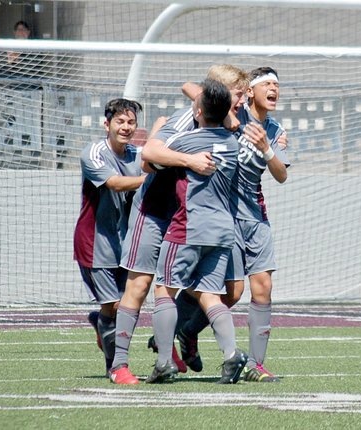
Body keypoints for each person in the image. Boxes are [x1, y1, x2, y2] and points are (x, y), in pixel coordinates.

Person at [107, 65, 247, 385]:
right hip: (156, 210)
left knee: (203, 290)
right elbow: (148, 158)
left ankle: (169, 353)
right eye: (239, 94)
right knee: (141, 285)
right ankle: (120, 364)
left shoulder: (225, 123)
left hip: (189, 218)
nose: (243, 99)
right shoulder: (188, 121)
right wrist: (189, 159)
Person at [175, 67, 290, 382]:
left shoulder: (276, 128)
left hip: (256, 216)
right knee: (231, 292)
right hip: (224, 215)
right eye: (266, 83)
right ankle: (182, 331)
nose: (274, 89)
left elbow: (281, 175)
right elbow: (189, 85)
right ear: (249, 92)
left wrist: (267, 148)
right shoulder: (233, 114)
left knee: (263, 288)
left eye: (277, 85)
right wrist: (227, 116)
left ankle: (256, 365)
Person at [142, 78, 245, 384]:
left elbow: (150, 153)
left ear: (198, 111)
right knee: (211, 295)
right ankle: (231, 354)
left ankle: (163, 362)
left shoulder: (188, 141)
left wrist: (161, 127)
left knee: (164, 290)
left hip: (188, 227)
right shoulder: (232, 142)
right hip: (223, 230)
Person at [73, 98, 146, 376]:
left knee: (123, 304)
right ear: (107, 124)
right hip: (95, 242)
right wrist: (148, 179)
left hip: (126, 242)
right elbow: (114, 184)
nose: (125, 127)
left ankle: (100, 323)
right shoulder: (93, 152)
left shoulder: (137, 155)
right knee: (116, 304)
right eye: (120, 121)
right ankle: (115, 368)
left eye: (131, 122)